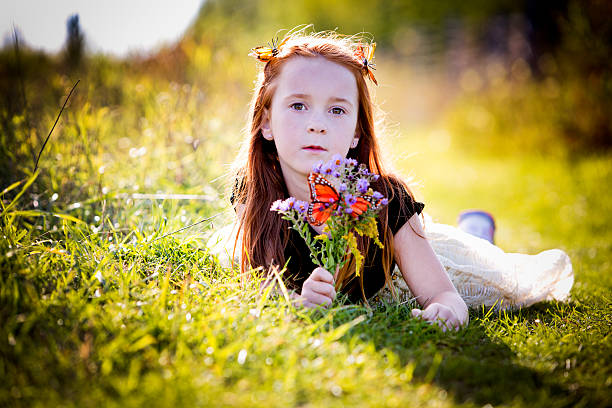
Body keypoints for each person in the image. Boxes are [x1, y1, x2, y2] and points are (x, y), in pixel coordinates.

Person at [210, 29, 573, 331]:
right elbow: (255, 285)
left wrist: (446, 310)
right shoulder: (256, 190)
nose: (316, 123)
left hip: (407, 272)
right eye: (298, 105)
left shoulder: (385, 199)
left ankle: (477, 225)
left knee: (485, 266)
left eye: (337, 110)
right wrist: (298, 303)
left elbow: (444, 296)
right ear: (266, 122)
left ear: (356, 131)